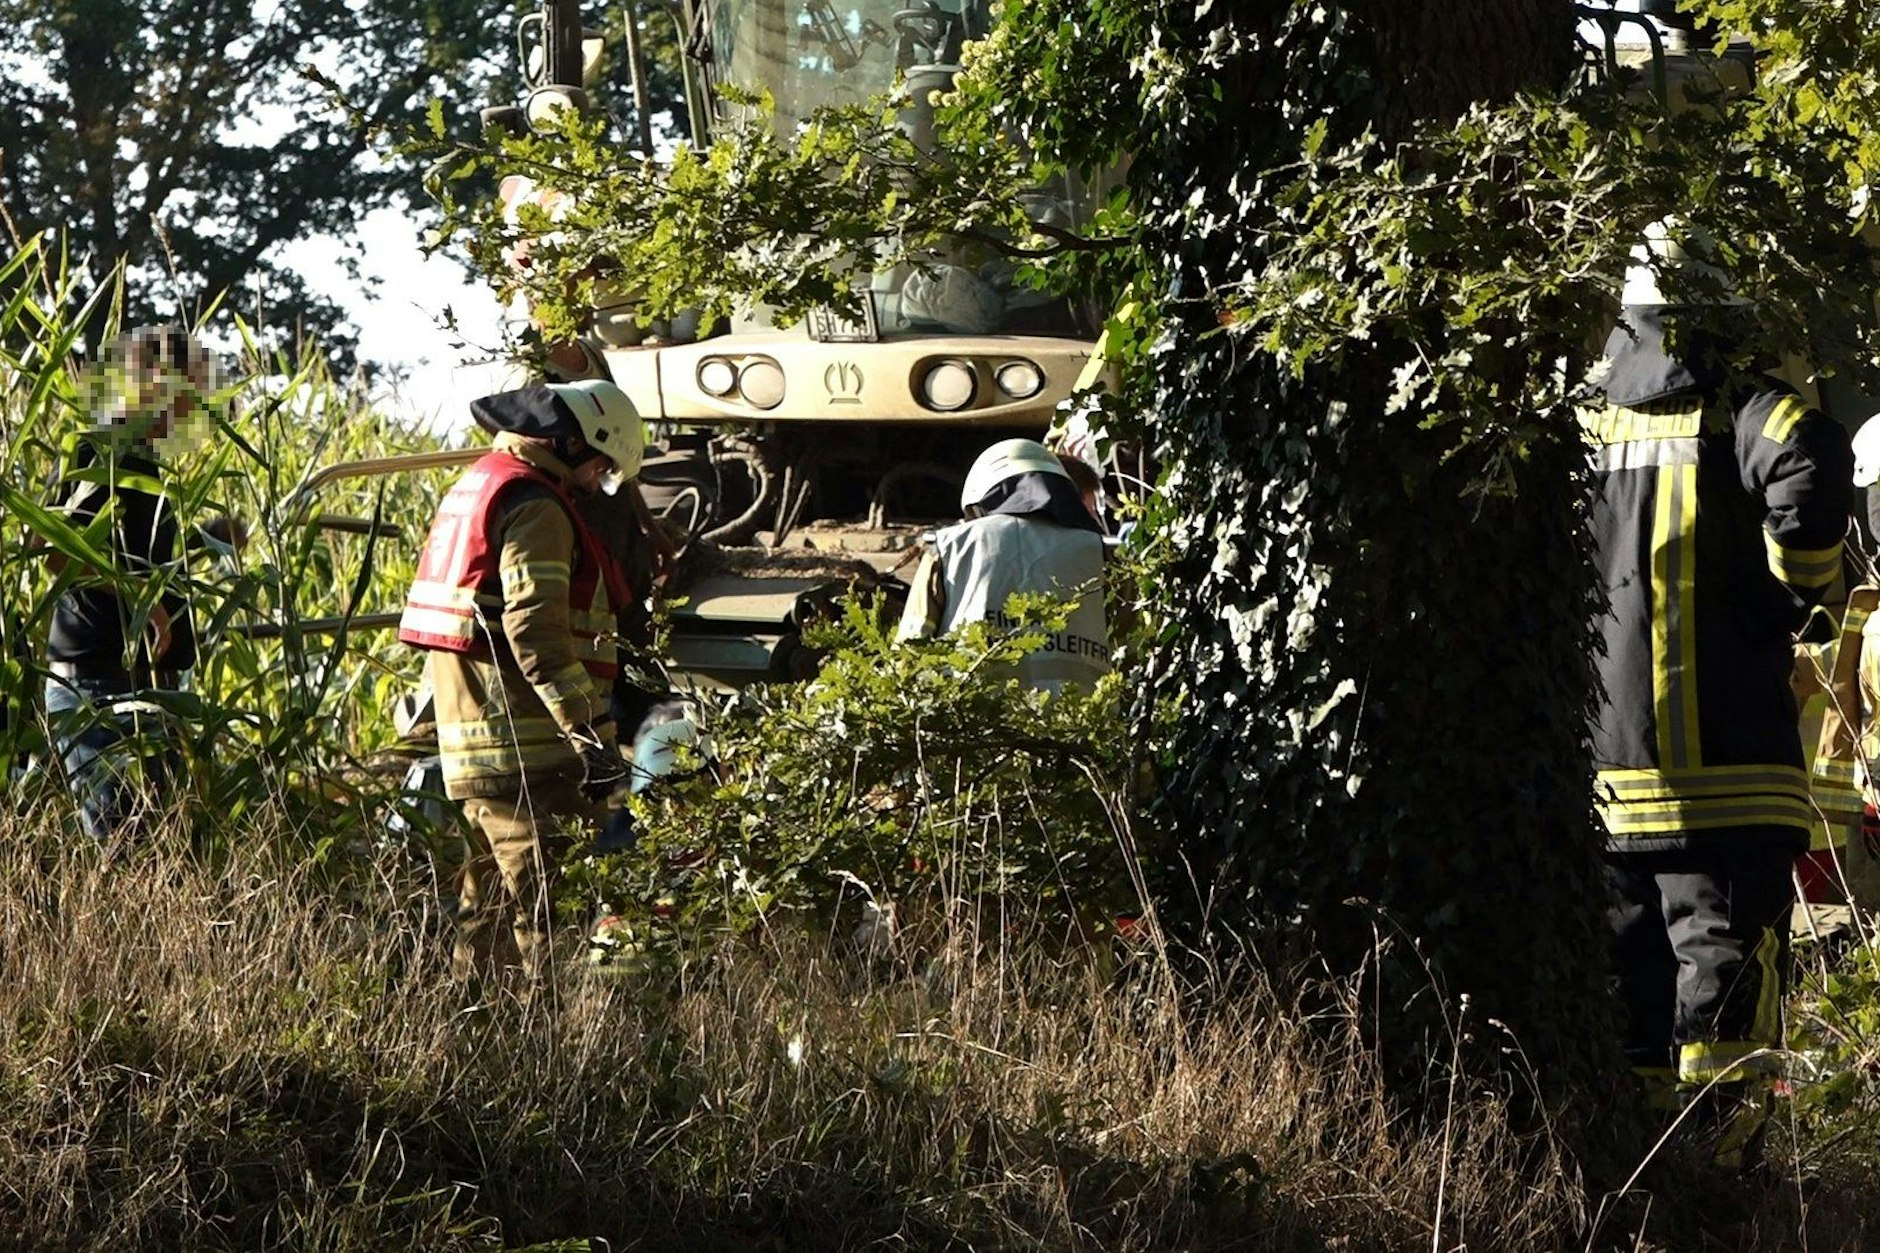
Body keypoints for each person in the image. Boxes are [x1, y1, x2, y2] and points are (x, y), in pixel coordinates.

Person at [1586, 223, 1854, 1170]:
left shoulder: (1583, 416)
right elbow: (1813, 455)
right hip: (1735, 775)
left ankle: (1644, 1188)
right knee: (1727, 1006)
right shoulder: (1742, 405)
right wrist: (1799, 585)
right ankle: (1725, 1193)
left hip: (1612, 781)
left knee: (1635, 1008)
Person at [398, 378, 642, 990]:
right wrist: (591, 734)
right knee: (549, 918)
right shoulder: (536, 507)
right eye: (603, 470)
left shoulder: (484, 483)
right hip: (526, 746)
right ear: (575, 443)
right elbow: (535, 630)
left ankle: (475, 1043)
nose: (595, 485)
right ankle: (555, 1061)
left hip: (477, 741)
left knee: (488, 914)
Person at [42, 324, 231, 842]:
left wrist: (206, 538)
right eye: (189, 388)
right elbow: (55, 552)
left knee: (159, 846)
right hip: (97, 687)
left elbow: (136, 553)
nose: (196, 405)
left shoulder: (147, 464)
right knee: (121, 843)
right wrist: (141, 601)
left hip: (144, 685)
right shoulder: (95, 451)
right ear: (150, 383)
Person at [896, 438, 1109, 694]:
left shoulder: (949, 547)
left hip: (969, 720)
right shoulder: (1100, 552)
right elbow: (1132, 648)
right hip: (1081, 723)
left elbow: (911, 648)